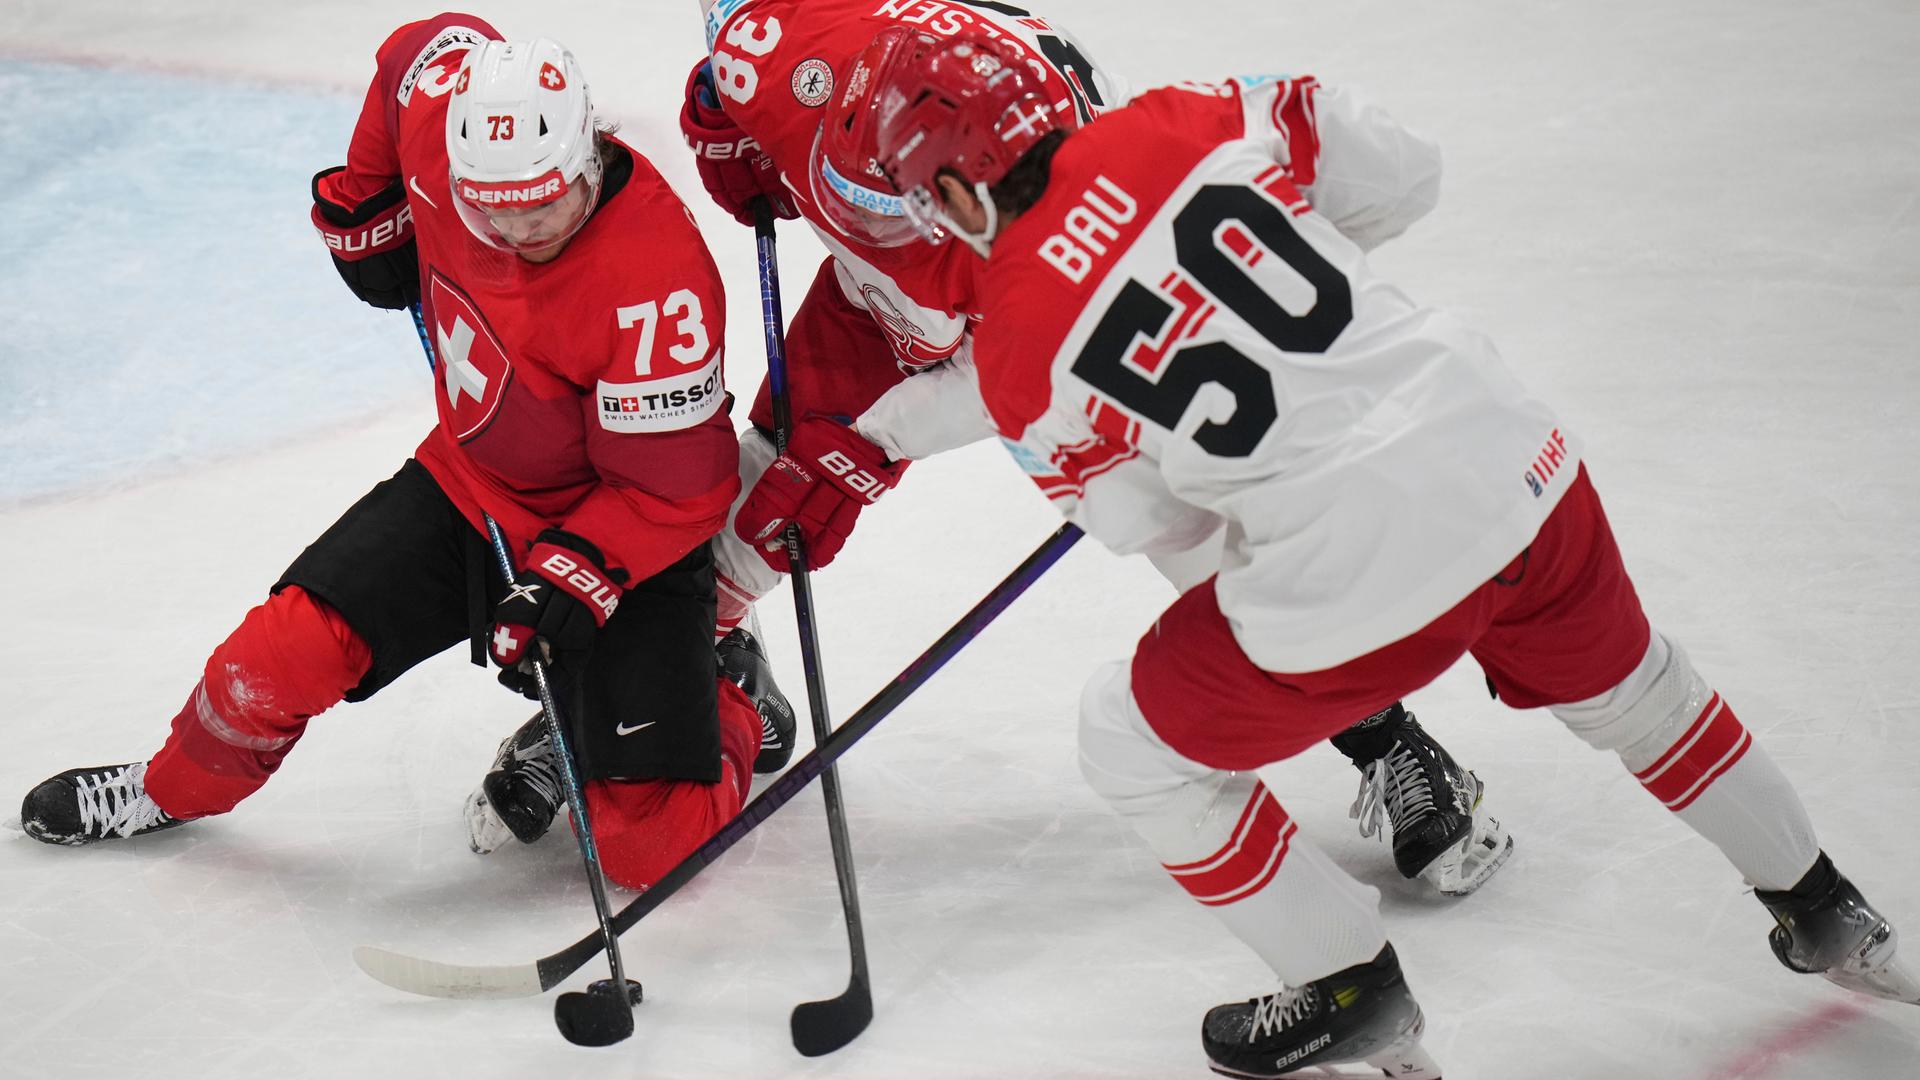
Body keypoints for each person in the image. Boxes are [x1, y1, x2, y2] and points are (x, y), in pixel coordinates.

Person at [865, 31, 1920, 1077]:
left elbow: (1165, 532)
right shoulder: (1187, 116)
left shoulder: (1014, 354)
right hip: (1512, 454)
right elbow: (1402, 170)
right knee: (1641, 694)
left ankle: (1348, 986)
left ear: (957, 189)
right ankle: (1822, 903)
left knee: (1131, 743)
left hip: (1352, 572)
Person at [679, 0, 1509, 896]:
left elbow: (1004, 387)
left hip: (1051, 291)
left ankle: (1389, 740)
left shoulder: (1057, 186)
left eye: (898, 218)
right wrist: (728, 132)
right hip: (884, 311)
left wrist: (881, 433)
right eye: (855, 207)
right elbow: (729, 91)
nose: (880, 230)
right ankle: (689, 664)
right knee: (773, 501)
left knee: (1189, 535)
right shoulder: (767, 44)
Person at [19, 13, 777, 893]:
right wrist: (366, 196)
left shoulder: (658, 284)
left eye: (545, 201)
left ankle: (729, 689)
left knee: (650, 851)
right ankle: (166, 787)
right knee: (271, 660)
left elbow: (675, 490)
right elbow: (421, 46)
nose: (522, 227)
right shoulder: (436, 111)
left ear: (589, 154)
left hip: (621, 536)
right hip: (471, 487)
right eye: (492, 207)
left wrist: (578, 574)